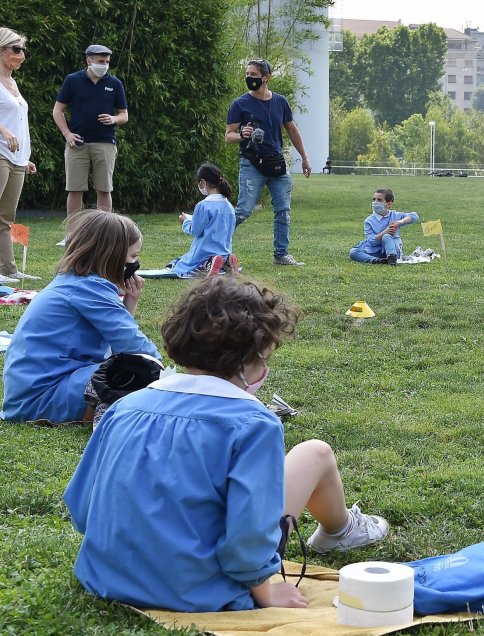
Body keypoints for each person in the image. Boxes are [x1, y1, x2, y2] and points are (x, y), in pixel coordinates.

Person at [63, 277, 391, 612]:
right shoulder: (253, 423)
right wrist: (264, 589)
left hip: (106, 577)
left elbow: (81, 505)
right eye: (264, 359)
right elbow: (248, 532)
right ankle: (342, 530)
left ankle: (341, 531)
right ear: (249, 361)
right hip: (200, 591)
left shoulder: (124, 408)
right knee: (315, 452)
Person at [1, 209, 159, 423]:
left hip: (30, 396)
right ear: (111, 255)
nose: (133, 265)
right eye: (132, 257)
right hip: (45, 398)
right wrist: (165, 378)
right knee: (135, 372)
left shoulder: (74, 280)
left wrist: (130, 302)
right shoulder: (91, 288)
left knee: (129, 368)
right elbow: (135, 347)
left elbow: (121, 343)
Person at [225, 58, 311, 266]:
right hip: (251, 164)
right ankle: (215, 249)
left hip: (276, 164)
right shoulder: (240, 104)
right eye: (247, 74)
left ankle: (281, 254)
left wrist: (305, 157)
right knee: (243, 211)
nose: (249, 78)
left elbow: (292, 129)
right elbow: (228, 136)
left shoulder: (280, 102)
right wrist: (242, 135)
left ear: (266, 77)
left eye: (253, 75)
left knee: (283, 210)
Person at [51, 44, 128, 242]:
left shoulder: (115, 83)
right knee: (75, 189)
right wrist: (67, 134)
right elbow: (57, 111)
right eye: (101, 61)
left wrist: (114, 119)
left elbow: (124, 115)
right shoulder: (73, 80)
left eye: (107, 62)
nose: (104, 65)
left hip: (105, 143)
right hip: (77, 143)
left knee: (104, 189)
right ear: (88, 60)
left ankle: (104, 234)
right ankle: (72, 234)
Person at [0, 27, 37, 282]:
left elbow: (19, 122)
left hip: (16, 159)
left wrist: (25, 156)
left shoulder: (13, 83)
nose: (21, 54)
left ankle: (8, 270)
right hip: (0, 153)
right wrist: (3, 131)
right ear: (1, 51)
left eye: (22, 49)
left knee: (6, 217)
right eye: (16, 49)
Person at [167, 163, 237, 277]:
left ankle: (209, 262)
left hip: (205, 252)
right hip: (224, 251)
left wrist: (185, 221)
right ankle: (228, 260)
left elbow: (196, 230)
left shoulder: (203, 205)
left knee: (181, 264)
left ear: (202, 182)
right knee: (221, 257)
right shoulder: (229, 206)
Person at [349, 187, 419, 265]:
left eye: (379, 200)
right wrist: (386, 231)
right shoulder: (369, 220)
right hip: (376, 249)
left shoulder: (395, 215)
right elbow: (371, 241)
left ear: (389, 204)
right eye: (374, 199)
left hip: (393, 249)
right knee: (353, 252)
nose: (375, 202)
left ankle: (392, 258)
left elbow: (414, 216)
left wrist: (400, 222)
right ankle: (376, 260)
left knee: (387, 237)